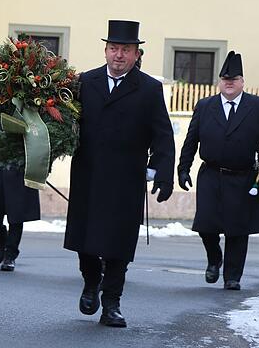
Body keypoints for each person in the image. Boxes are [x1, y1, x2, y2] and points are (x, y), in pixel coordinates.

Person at [63, 20, 175, 328]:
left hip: (127, 179)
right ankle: (90, 281)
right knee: (85, 240)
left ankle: (111, 303)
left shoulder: (150, 89)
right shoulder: (85, 82)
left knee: (119, 245)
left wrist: (165, 173)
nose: (119, 55)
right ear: (105, 50)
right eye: (114, 49)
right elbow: (61, 121)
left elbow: (163, 134)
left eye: (126, 50)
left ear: (137, 54)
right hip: (88, 174)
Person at [177, 51, 259, 291]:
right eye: (225, 79)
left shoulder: (258, 107)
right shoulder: (205, 106)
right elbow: (191, 140)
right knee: (205, 225)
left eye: (234, 79)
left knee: (238, 230)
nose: (229, 83)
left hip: (243, 177)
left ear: (242, 82)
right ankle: (214, 257)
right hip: (211, 175)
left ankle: (232, 276)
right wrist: (183, 168)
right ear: (219, 82)